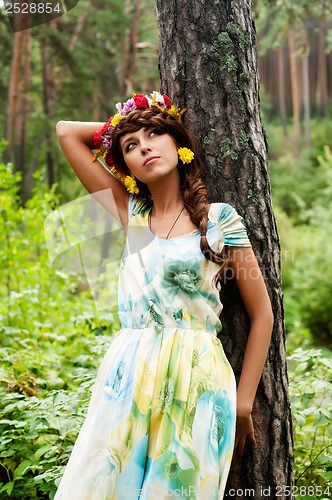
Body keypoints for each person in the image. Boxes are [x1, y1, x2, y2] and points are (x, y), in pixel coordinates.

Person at [54, 91, 273, 499]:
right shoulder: (130, 214)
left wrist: (244, 402)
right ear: (127, 167)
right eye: (131, 147)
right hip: (129, 376)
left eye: (155, 134)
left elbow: (263, 314)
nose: (145, 147)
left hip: (197, 379)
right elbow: (67, 133)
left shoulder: (219, 220)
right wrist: (124, 123)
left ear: (179, 143)